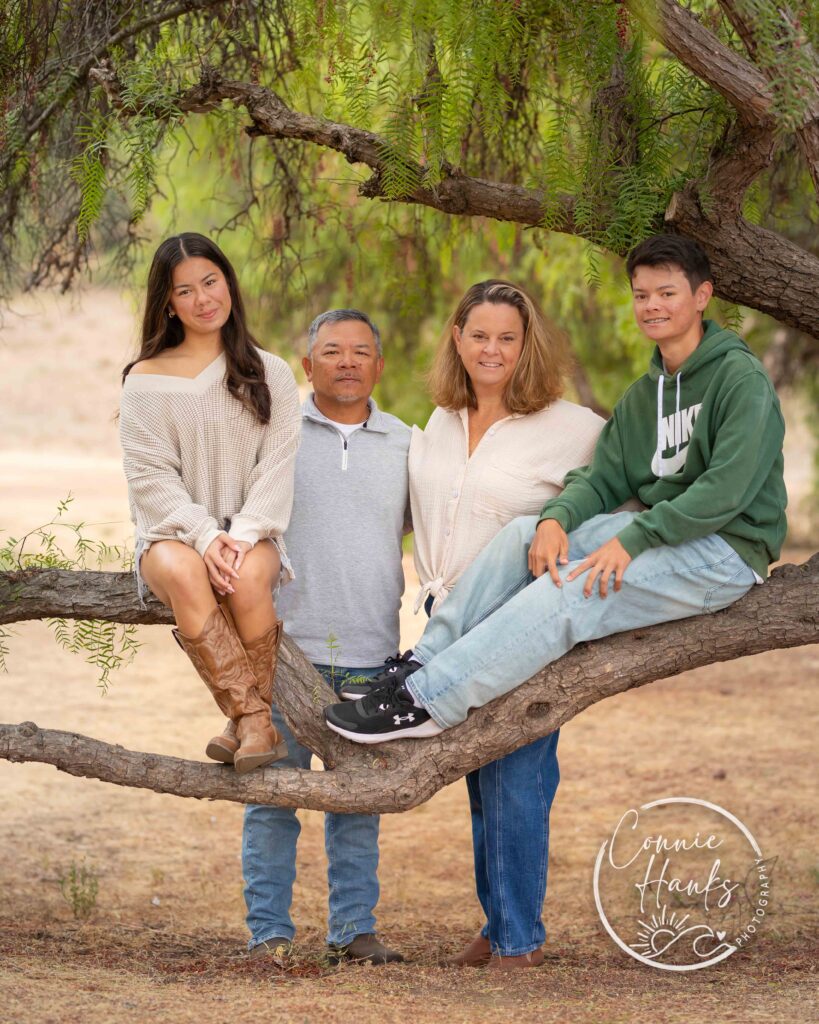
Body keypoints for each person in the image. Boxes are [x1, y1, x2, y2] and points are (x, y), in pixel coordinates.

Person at [326, 235, 786, 756]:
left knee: (575, 587)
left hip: (725, 551)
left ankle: (427, 702)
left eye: (667, 293)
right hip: (672, 537)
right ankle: (422, 664)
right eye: (641, 295)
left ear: (702, 296)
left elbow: (726, 489)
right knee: (524, 533)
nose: (652, 306)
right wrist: (556, 518)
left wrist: (635, 539)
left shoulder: (740, 379)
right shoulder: (644, 396)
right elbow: (602, 478)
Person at [340, 280, 603, 970]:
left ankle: (520, 940)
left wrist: (562, 542)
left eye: (507, 338)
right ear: (457, 339)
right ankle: (498, 922)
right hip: (442, 620)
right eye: (479, 335)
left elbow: (613, 505)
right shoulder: (439, 421)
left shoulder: (573, 428)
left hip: (518, 625)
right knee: (480, 778)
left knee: (517, 776)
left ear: (527, 344)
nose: (492, 350)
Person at [242, 309, 410, 967]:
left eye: (360, 351)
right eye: (332, 351)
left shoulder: (407, 443)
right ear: (307, 365)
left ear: (379, 366)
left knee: (357, 805)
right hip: (283, 653)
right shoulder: (275, 436)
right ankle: (269, 935)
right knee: (271, 800)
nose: (347, 362)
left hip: (372, 655)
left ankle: (354, 931)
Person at [119, 232, 300, 774]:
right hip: (171, 535)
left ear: (228, 283)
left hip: (252, 533)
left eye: (210, 282)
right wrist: (203, 536)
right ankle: (254, 719)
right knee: (184, 569)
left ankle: (244, 725)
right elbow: (150, 477)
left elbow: (277, 466)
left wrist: (237, 537)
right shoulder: (144, 381)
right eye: (185, 291)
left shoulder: (271, 372)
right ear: (167, 304)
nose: (203, 299)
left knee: (245, 576)